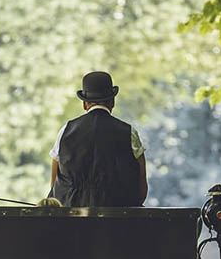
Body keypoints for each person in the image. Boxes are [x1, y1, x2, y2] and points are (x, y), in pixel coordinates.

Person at [48, 71, 148, 207]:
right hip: (118, 217)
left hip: (71, 217)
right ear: (112, 102)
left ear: (84, 104)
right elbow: (141, 187)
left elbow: (54, 186)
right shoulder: (128, 132)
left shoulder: (66, 131)